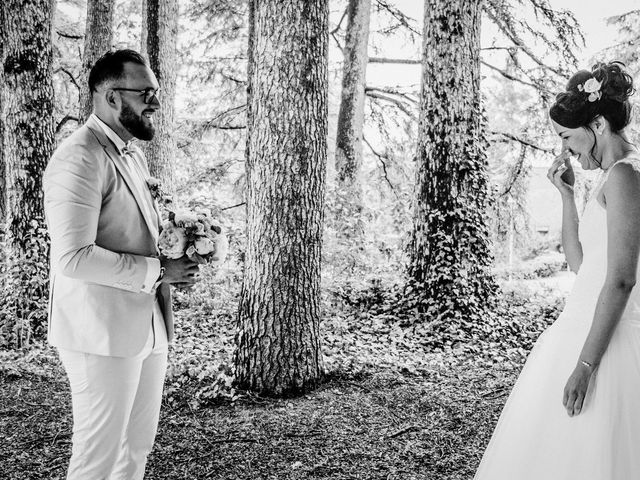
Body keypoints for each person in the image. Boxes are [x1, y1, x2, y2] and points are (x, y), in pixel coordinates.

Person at [475, 61, 640, 479]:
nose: (565, 149)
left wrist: (586, 367)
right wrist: (567, 197)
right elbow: (582, 267)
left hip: (609, 344)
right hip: (580, 327)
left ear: (598, 124)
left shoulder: (626, 176)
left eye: (568, 137)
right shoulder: (610, 179)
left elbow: (621, 280)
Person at [44, 49, 200, 480]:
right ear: (112, 97)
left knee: (134, 453)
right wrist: (157, 272)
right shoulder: (79, 157)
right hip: (100, 332)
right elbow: (72, 258)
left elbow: (132, 231)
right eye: (146, 93)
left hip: (147, 324)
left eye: (156, 92)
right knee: (98, 459)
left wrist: (180, 251)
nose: (155, 102)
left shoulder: (132, 154)